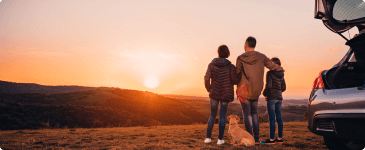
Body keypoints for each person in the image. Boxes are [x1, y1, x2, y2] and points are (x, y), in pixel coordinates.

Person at [235, 36, 284, 144]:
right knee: (254, 114)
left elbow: (237, 75)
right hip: (256, 90)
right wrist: (281, 70)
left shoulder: (240, 58)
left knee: (247, 114)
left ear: (246, 45)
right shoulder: (262, 57)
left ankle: (250, 139)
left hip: (244, 90)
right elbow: (272, 66)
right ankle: (256, 139)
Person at [204, 45, 241, 145]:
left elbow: (206, 78)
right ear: (227, 53)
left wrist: (209, 89)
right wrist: (240, 74)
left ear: (218, 53)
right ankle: (220, 140)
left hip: (214, 93)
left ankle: (208, 138)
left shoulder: (211, 65)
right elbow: (234, 80)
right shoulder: (231, 67)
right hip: (225, 94)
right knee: (223, 116)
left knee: (212, 115)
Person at [262, 57, 286, 144]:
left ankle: (271, 139)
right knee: (279, 118)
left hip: (271, 97)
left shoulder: (270, 73)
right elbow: (283, 87)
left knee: (272, 118)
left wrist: (264, 93)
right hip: (279, 98)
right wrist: (278, 92)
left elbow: (268, 86)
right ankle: (280, 138)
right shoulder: (281, 74)